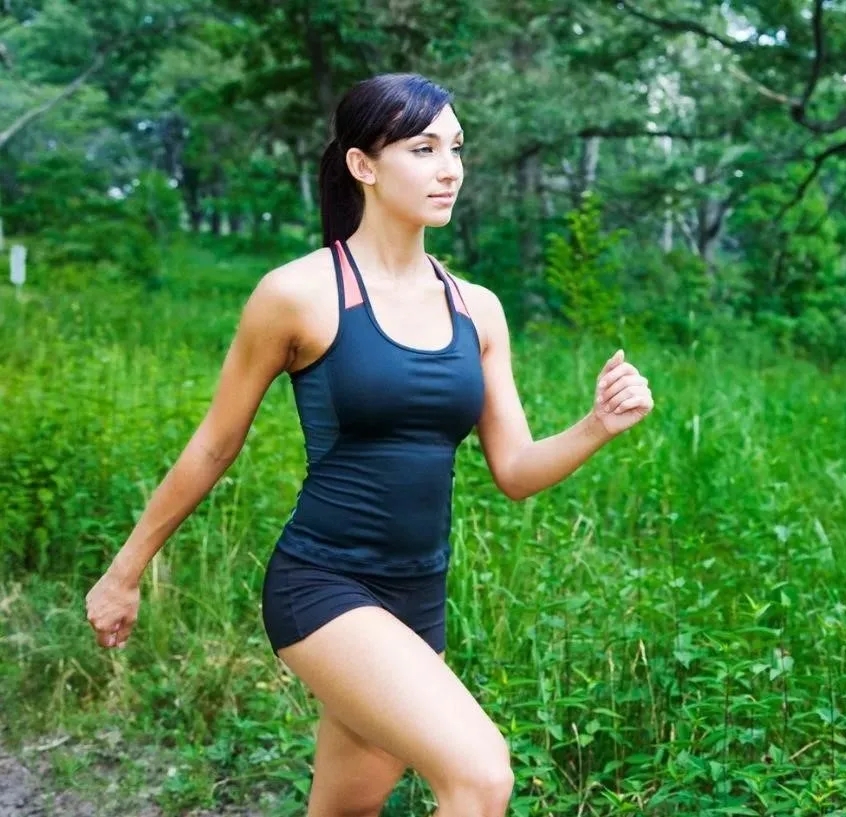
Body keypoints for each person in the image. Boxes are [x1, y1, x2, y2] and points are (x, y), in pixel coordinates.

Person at [83, 73, 654, 817]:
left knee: (345, 810)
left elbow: (512, 470)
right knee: (480, 777)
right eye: (423, 148)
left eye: (456, 148)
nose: (449, 168)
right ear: (363, 164)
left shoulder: (475, 308)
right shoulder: (298, 294)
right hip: (321, 584)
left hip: (418, 592)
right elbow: (213, 448)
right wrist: (125, 573)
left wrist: (596, 426)